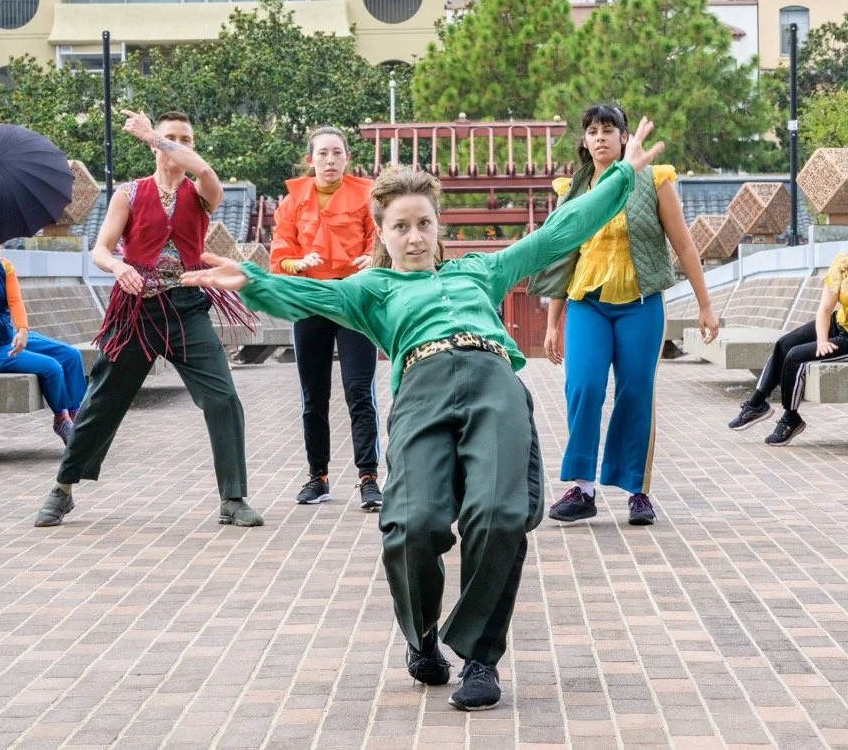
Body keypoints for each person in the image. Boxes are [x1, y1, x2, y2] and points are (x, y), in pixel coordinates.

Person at [182, 118, 666, 712]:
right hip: (422, 385)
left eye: (424, 225)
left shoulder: (479, 271)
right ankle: (423, 637)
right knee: (411, 524)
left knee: (499, 513)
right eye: (400, 227)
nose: (414, 238)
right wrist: (251, 281)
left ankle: (481, 657)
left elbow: (559, 233)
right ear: (382, 233)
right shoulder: (371, 289)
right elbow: (308, 295)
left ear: (439, 229)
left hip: (492, 379)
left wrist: (620, 176)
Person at [33, 110, 263, 529]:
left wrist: (154, 136)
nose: (178, 144)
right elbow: (100, 250)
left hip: (186, 309)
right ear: (154, 145)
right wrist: (119, 266)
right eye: (170, 136)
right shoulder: (129, 193)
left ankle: (233, 498)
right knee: (102, 400)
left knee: (223, 399)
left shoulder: (203, 192)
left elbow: (205, 170)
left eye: (185, 139)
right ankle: (62, 489)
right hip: (135, 311)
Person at [533, 103, 718, 527]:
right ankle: (583, 488)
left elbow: (684, 244)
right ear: (584, 141)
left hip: (640, 305)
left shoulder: (654, 180)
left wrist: (705, 305)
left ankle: (638, 491)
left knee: (635, 392)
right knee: (584, 386)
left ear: (623, 137)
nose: (600, 137)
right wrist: (551, 324)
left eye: (608, 130)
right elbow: (562, 257)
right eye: (592, 131)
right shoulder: (573, 190)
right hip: (587, 304)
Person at [270, 126, 383, 510]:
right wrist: (298, 262)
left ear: (347, 158)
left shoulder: (368, 197)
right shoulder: (292, 203)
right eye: (323, 153)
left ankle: (368, 477)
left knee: (359, 391)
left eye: (337, 153)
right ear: (310, 159)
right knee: (313, 395)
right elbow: (280, 255)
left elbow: (380, 239)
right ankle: (317, 476)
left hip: (353, 301)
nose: (330, 160)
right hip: (310, 301)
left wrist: (373, 258)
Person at [729, 250, 848, 445]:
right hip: (839, 324)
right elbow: (824, 310)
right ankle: (756, 404)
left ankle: (791, 419)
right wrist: (822, 340)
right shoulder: (839, 271)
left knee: (795, 357)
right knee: (784, 344)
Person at [0, 236, 87, 444]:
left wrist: (23, 330)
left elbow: (15, 301)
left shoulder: (4, 266)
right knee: (52, 367)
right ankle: (61, 420)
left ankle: (78, 417)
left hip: (9, 337)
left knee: (71, 356)